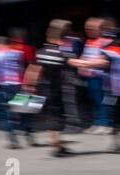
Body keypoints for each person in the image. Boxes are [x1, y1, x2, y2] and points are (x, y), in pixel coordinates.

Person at [24, 19, 75, 157]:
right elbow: (74, 62)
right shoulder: (56, 53)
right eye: (67, 36)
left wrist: (29, 85)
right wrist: (95, 63)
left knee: (55, 116)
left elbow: (33, 68)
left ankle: (58, 144)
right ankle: (56, 147)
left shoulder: (42, 51)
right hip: (52, 90)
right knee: (56, 116)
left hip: (47, 89)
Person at [0, 35, 32, 148]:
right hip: (19, 85)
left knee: (5, 113)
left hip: (1, 87)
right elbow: (28, 69)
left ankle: (12, 138)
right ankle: (29, 134)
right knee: (24, 111)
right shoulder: (19, 53)